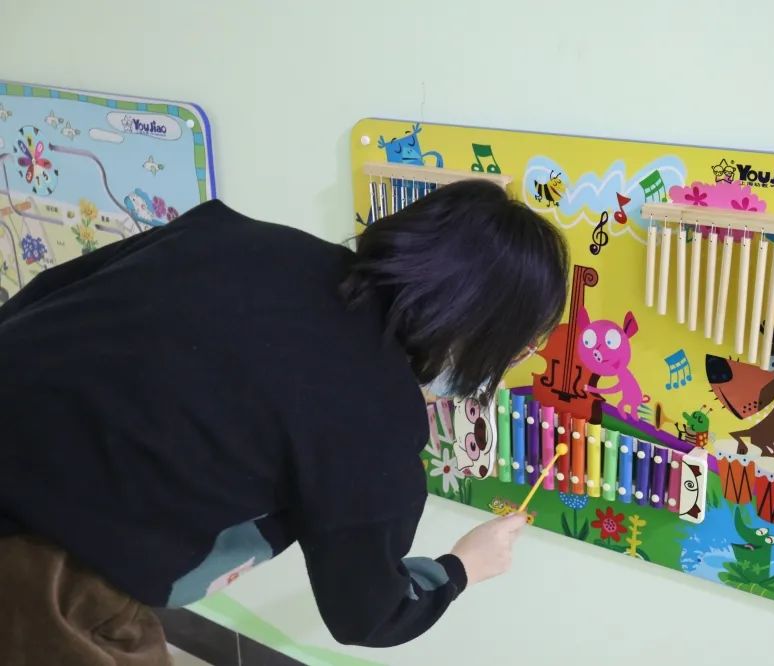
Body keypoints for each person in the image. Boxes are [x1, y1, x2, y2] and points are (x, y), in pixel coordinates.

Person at [0, 179, 569, 663]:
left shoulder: (235, 236)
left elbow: (50, 294)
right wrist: (463, 566)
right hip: (42, 555)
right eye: (519, 347)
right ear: (484, 330)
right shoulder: (375, 419)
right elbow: (369, 613)